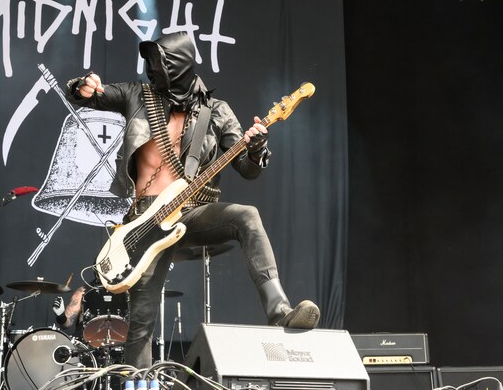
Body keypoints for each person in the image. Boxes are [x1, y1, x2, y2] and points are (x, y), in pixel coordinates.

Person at [64, 31, 320, 368]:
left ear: (179, 67)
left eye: (159, 65)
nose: (152, 71)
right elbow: (87, 96)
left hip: (190, 211)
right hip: (144, 221)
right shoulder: (136, 94)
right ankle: (137, 389)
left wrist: (257, 149)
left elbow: (247, 170)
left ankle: (280, 310)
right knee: (141, 321)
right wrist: (81, 86)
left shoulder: (217, 111)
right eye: (151, 64)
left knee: (246, 215)